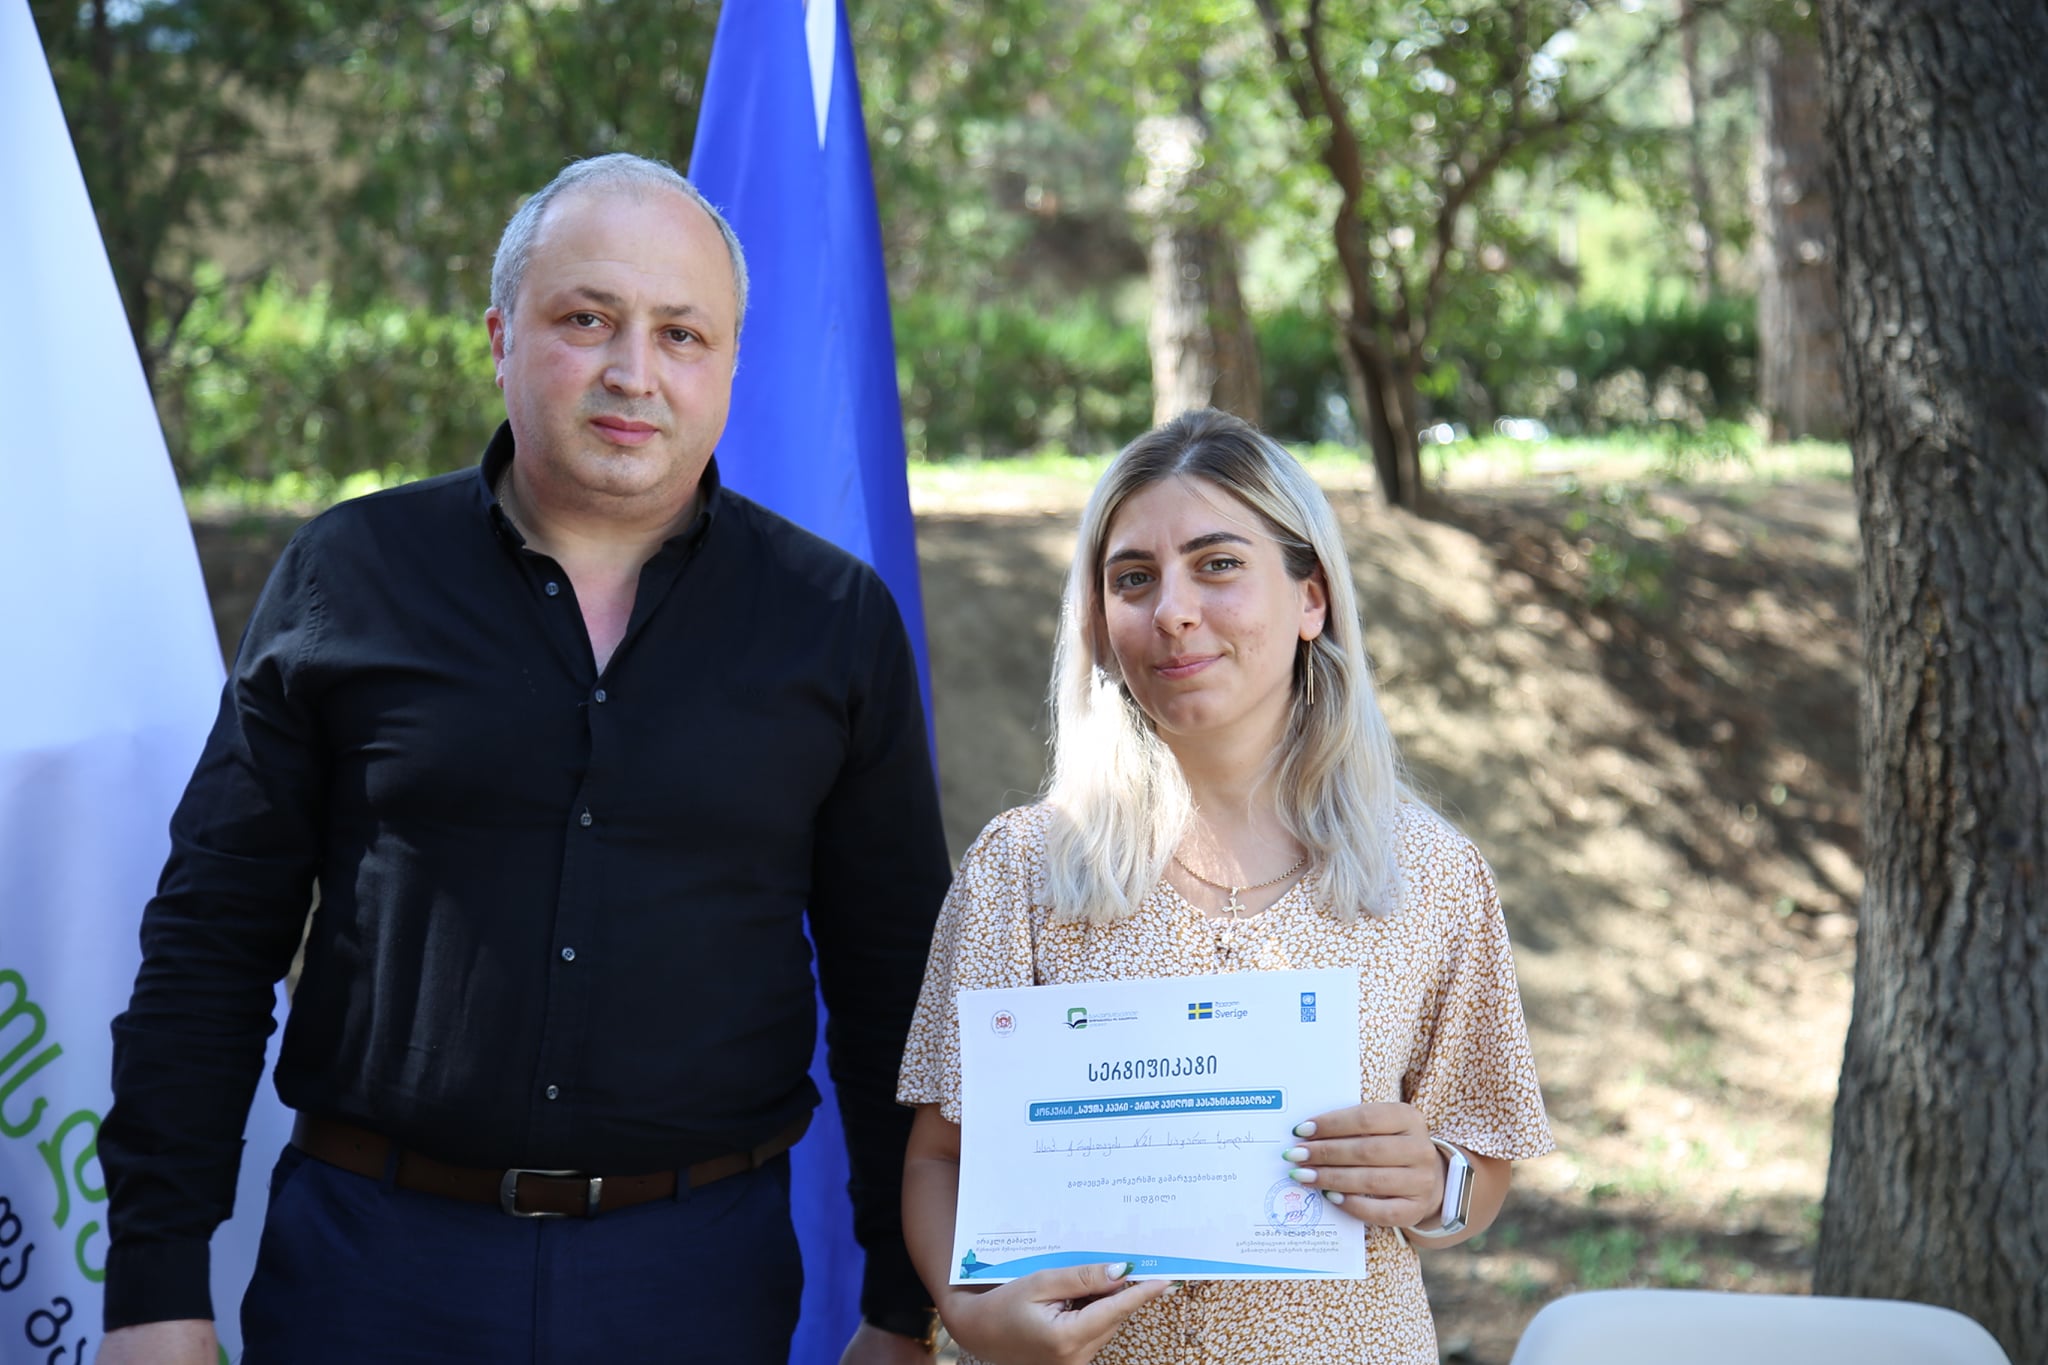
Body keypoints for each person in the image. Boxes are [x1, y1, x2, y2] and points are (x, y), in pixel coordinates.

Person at [98, 153, 950, 1363]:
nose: (632, 372)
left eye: (680, 334)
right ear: (501, 338)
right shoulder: (351, 575)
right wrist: (154, 1285)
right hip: (371, 1274)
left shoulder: (831, 621)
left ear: (728, 368)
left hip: (694, 1285)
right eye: (586, 319)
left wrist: (901, 1309)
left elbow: (893, 989)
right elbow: (212, 937)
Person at [896, 409, 1554, 1364]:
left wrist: (1436, 1184)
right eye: (1133, 577)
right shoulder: (1022, 870)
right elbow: (939, 1157)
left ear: (1312, 598)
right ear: (1099, 620)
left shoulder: (1430, 874)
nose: (1172, 610)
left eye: (1217, 564)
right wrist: (973, 1316)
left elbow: (1482, 1162)